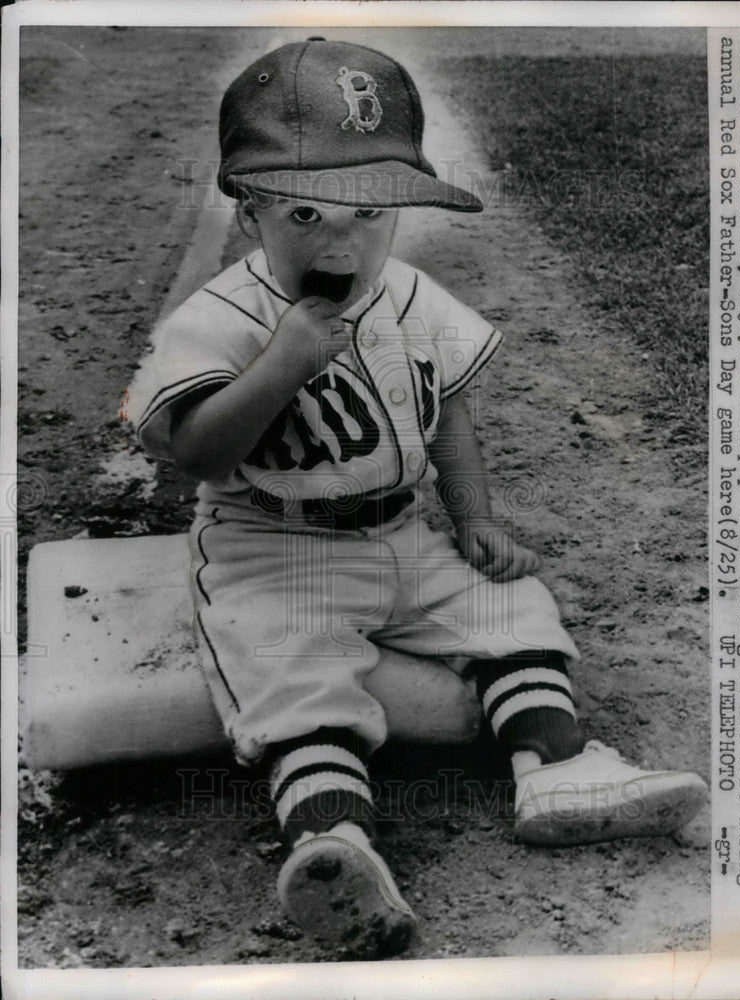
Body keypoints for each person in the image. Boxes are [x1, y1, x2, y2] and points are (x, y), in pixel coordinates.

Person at [129, 39, 708, 958]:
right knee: (293, 670)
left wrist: (474, 518)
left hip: (400, 536)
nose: (341, 243)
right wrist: (276, 369)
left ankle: (554, 771)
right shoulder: (216, 318)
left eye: (369, 214)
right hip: (267, 545)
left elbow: (451, 416)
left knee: (511, 607)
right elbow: (197, 458)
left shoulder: (407, 295)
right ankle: (334, 844)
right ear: (249, 211)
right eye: (308, 213)